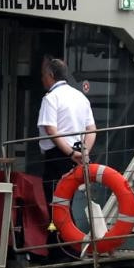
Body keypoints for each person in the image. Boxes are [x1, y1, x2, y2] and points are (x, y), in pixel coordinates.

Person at [31, 54, 94, 202]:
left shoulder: (51, 98)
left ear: (51, 75)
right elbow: (92, 129)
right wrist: (83, 152)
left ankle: (55, 226)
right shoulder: (81, 97)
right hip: (78, 153)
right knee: (68, 200)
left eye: (43, 75)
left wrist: (71, 153)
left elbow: (51, 130)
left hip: (57, 154)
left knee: (54, 199)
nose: (42, 79)